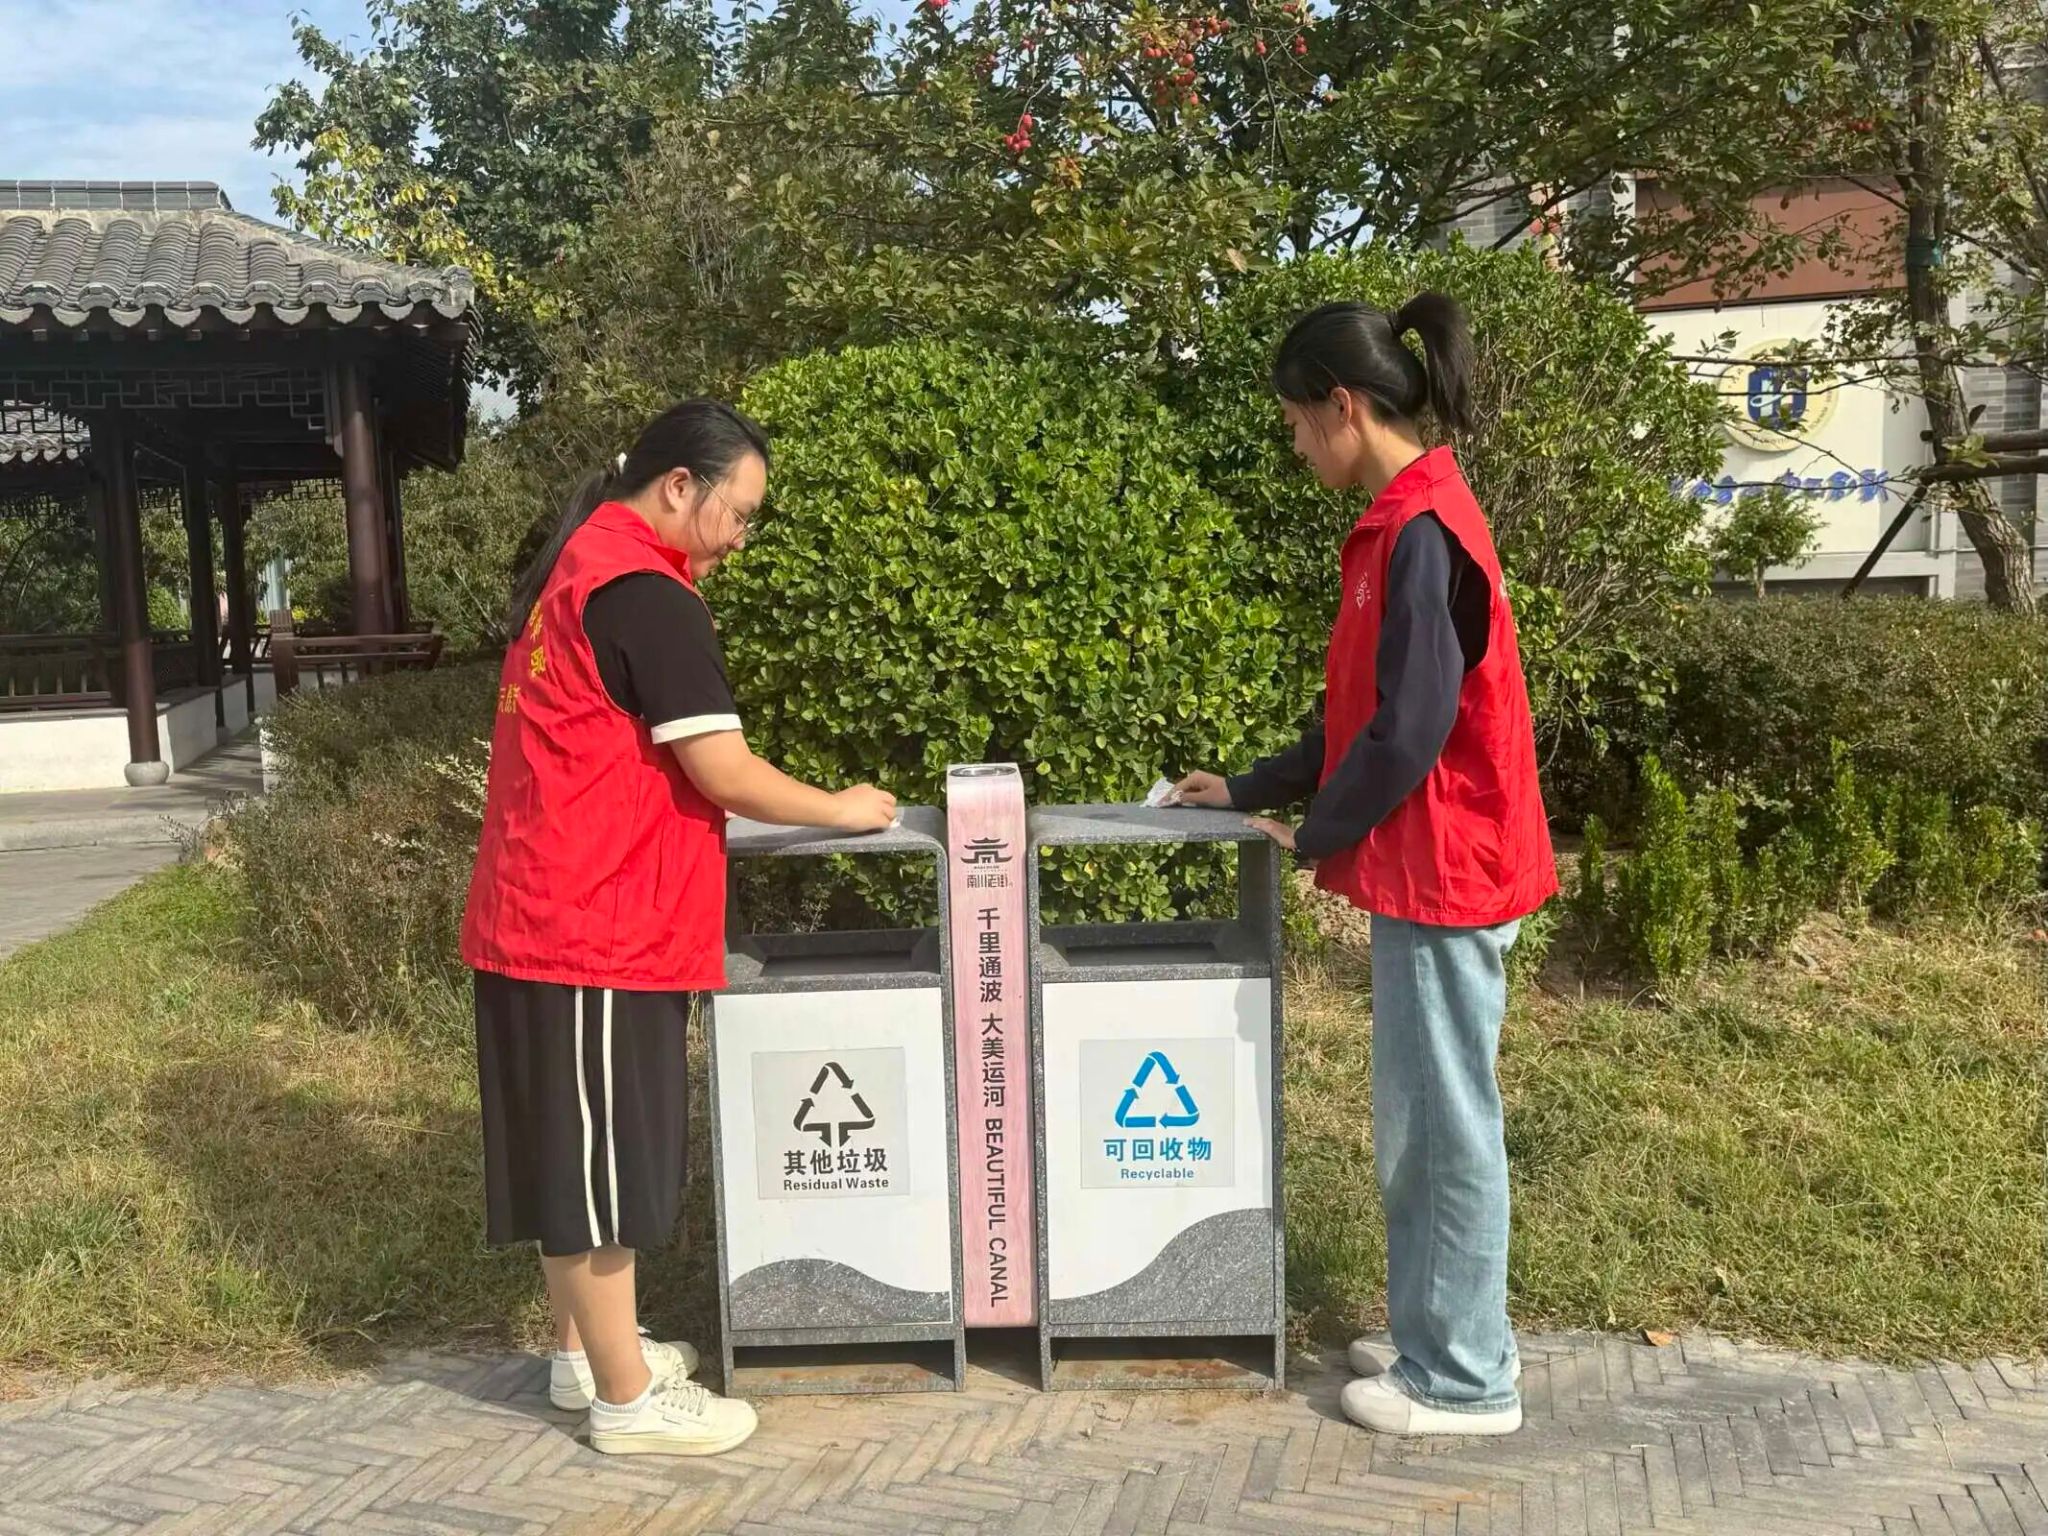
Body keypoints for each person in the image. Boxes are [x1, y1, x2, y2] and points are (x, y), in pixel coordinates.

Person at [460, 400, 898, 1457]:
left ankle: (585, 1357)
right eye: (739, 513)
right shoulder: (645, 593)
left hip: (543, 912)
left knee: (570, 1157)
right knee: (603, 1173)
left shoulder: (579, 566)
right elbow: (723, 771)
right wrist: (843, 808)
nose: (741, 537)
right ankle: (627, 1402)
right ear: (677, 487)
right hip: (594, 923)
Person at [1175, 295, 1556, 1437]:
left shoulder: (1423, 529)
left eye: (1297, 423)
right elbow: (1359, 716)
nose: (1296, 446)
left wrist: (1314, 834)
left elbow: (1409, 732)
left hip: (1449, 871)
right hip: (1435, 866)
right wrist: (1250, 788)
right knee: (1421, 1124)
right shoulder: (1402, 522)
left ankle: (1465, 1379)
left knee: (1440, 1129)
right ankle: (1440, 1331)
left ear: (1342, 407)